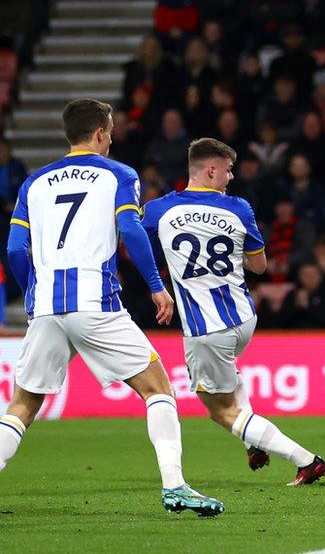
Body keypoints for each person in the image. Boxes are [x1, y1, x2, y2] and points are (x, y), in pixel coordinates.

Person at [2, 99, 223, 516]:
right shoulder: (119, 174)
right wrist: (157, 287)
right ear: (101, 133)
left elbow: (15, 247)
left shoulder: (34, 182)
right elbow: (131, 230)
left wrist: (32, 289)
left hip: (48, 305)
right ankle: (175, 485)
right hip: (94, 300)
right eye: (111, 129)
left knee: (23, 406)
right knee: (157, 388)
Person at [143, 138, 325, 485]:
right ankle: (253, 439)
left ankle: (306, 460)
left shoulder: (160, 210)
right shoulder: (239, 208)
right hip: (243, 318)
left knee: (220, 410)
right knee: (229, 379)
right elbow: (259, 267)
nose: (230, 178)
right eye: (227, 170)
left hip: (206, 327)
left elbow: (133, 235)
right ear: (210, 170)